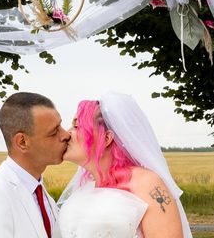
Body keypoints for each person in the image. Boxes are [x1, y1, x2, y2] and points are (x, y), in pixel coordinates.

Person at [55, 91, 192, 238]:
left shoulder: (147, 183)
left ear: (106, 138)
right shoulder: (84, 188)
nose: (67, 134)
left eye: (77, 126)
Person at [0, 92, 70, 238]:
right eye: (54, 132)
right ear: (22, 142)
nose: (66, 135)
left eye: (61, 125)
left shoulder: (43, 195)